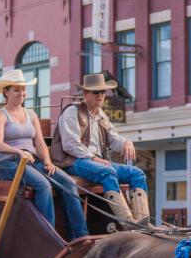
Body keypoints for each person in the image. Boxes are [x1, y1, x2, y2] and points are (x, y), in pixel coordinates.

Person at [0, 69, 89, 239]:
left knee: (69, 184)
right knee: (43, 185)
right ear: (6, 92)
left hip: (33, 162)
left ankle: (80, 236)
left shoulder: (31, 115)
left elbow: (40, 143)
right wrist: (19, 152)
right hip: (10, 165)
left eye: (23, 89)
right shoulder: (0, 115)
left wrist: (48, 161)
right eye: (16, 89)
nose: (21, 93)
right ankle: (48, 237)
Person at [53, 73, 149, 225]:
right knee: (108, 172)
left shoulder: (101, 115)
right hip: (73, 161)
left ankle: (142, 221)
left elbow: (114, 139)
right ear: (85, 94)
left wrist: (126, 142)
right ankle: (126, 223)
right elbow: (70, 144)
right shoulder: (72, 112)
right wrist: (93, 158)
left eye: (103, 92)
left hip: (96, 162)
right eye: (96, 92)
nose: (101, 95)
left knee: (137, 174)